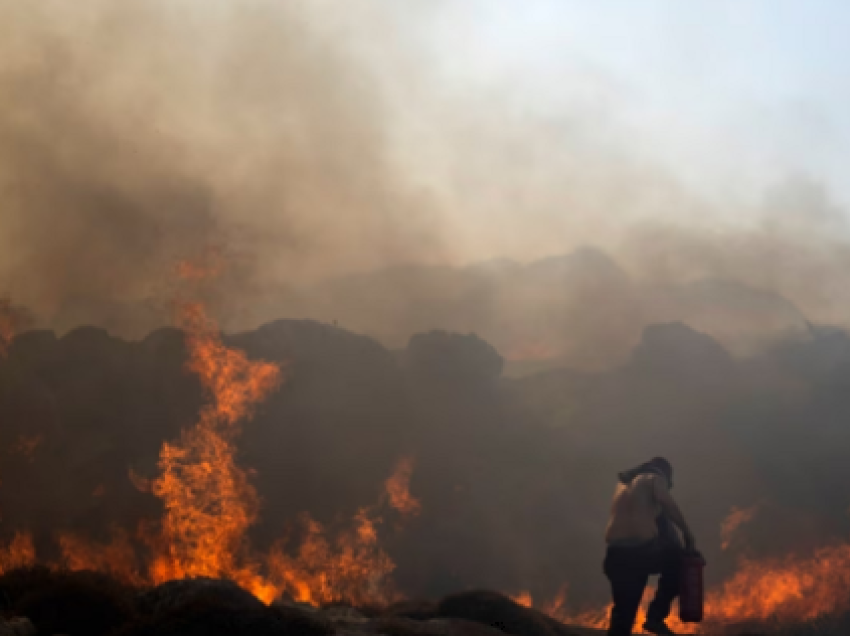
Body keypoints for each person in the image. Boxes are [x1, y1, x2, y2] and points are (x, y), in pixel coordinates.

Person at [603, 457, 696, 636]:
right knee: (680, 562)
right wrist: (687, 533)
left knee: (623, 616)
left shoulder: (624, 486)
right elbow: (666, 503)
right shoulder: (654, 478)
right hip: (640, 553)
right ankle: (655, 617)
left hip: (614, 556)